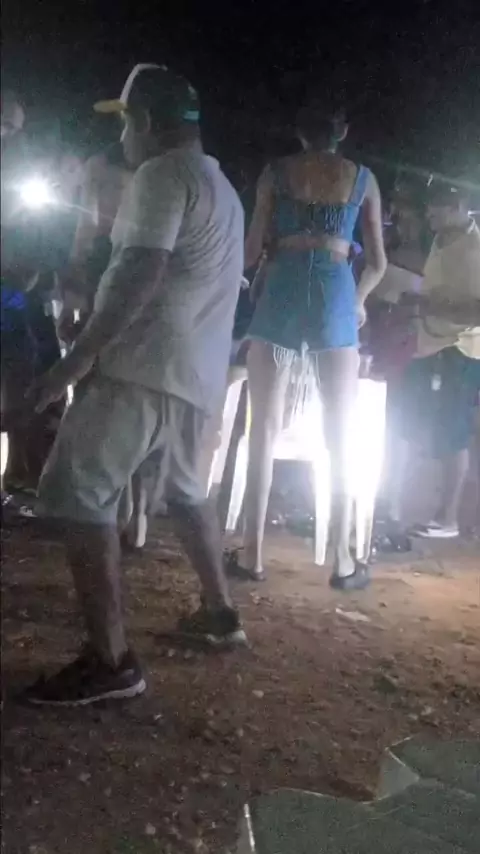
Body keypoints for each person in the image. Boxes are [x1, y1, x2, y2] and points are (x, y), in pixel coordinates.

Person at [25, 63, 246, 707]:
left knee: (78, 491)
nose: (121, 136)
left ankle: (111, 659)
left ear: (145, 121)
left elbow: (139, 274)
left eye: (125, 122)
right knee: (186, 491)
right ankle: (220, 612)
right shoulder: (221, 186)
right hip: (195, 373)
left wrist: (73, 364)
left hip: (140, 367)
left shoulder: (160, 175)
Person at [226, 100, 387, 588]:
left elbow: (250, 249)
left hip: (281, 290)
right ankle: (342, 560)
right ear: (343, 132)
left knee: (263, 427)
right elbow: (377, 263)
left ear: (299, 131)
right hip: (335, 293)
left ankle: (252, 554)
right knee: (340, 432)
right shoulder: (363, 179)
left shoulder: (275, 174)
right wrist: (357, 300)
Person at [388, 184, 480, 537]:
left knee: (452, 432)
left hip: (462, 348)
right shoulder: (442, 240)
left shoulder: (474, 249)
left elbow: (476, 311)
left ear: (459, 206)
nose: (429, 214)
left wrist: (425, 305)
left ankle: (448, 518)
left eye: (436, 208)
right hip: (430, 343)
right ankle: (396, 506)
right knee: (414, 423)